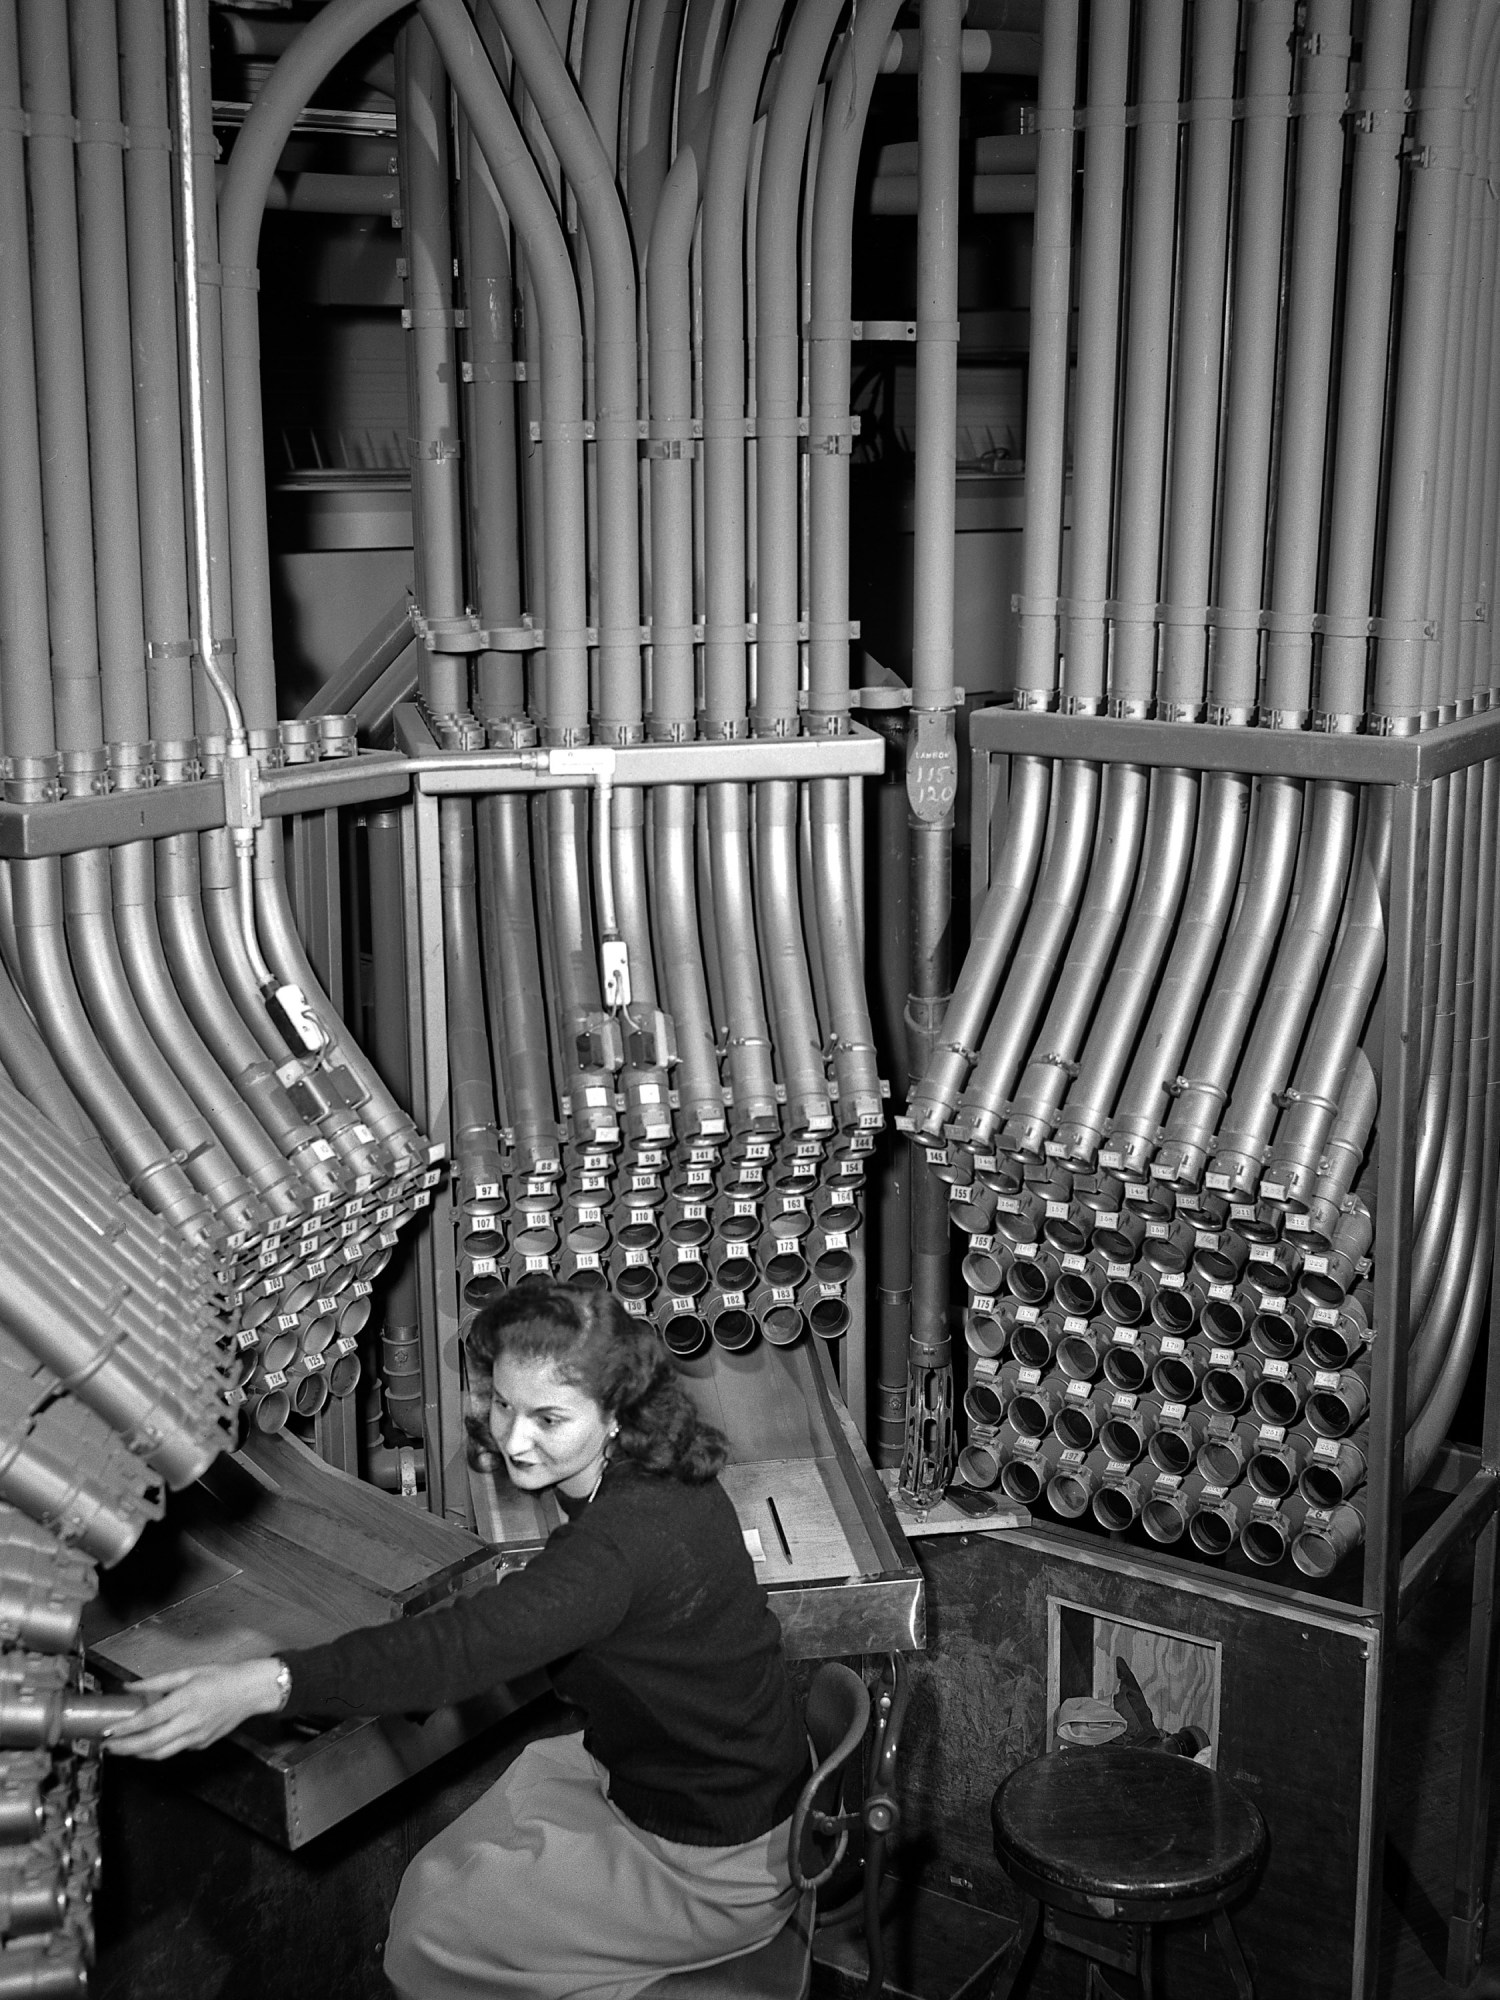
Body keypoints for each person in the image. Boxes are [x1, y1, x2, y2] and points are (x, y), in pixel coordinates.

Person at [106, 1281, 811, 2000]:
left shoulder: (622, 1543)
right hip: (695, 1780)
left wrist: (260, 1684)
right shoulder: (658, 1476)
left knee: (427, 1939)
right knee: (447, 1869)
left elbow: (461, 1650)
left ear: (618, 1416)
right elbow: (548, 1613)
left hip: (712, 1857)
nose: (513, 1438)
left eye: (549, 1417)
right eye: (504, 1403)